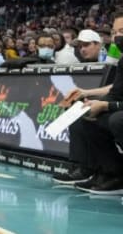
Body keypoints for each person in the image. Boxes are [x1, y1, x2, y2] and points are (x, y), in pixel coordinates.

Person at [52, 12, 123, 194]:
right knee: (82, 111)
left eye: (121, 31)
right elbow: (114, 88)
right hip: (117, 101)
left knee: (114, 120)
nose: (117, 36)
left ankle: (113, 173)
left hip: (118, 108)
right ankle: (99, 170)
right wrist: (86, 94)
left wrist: (107, 106)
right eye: (115, 32)